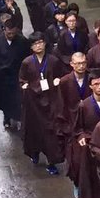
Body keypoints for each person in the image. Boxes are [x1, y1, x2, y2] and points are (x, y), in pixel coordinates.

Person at [18, 32, 66, 175]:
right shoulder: (27, 62)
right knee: (34, 130)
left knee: (51, 132)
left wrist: (58, 80)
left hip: (50, 100)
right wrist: (24, 85)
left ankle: (52, 161)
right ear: (31, 47)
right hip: (34, 102)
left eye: (40, 42)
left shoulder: (53, 60)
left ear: (45, 43)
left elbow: (60, 74)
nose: (38, 46)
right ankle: (35, 152)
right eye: (35, 44)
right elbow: (22, 79)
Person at [67, 73, 100, 198]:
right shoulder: (84, 105)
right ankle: (80, 187)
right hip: (91, 141)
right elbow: (78, 127)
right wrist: (81, 137)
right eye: (96, 84)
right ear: (90, 86)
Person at [0, 22, 29, 129]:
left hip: (16, 75)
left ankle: (18, 117)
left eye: (13, 32)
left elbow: (27, 55)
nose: (11, 35)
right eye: (9, 32)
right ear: (4, 30)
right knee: (5, 99)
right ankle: (7, 117)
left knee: (17, 98)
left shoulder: (22, 41)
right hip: (3, 76)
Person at [56, 52, 91, 154]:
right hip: (71, 119)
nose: (81, 66)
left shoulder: (91, 78)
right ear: (71, 64)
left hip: (88, 118)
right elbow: (61, 103)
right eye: (78, 63)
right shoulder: (64, 81)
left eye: (83, 63)